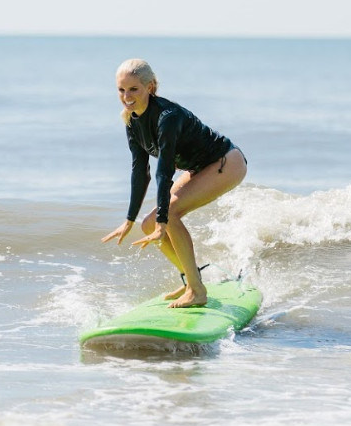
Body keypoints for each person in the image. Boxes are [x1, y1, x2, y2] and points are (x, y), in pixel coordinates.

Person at [101, 59, 247, 308]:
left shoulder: (167, 117)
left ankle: (197, 291)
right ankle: (192, 280)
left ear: (150, 87)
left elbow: (164, 170)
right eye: (121, 89)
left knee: (168, 217)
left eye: (133, 89)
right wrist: (129, 219)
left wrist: (163, 220)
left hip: (225, 162)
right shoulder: (132, 120)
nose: (126, 96)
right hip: (199, 168)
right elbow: (140, 171)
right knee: (148, 225)